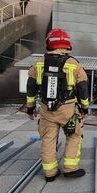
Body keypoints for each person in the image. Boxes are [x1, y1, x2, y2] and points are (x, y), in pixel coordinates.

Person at [24, 28, 90, 182]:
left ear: (49, 43)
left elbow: (31, 88)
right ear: (67, 44)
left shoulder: (39, 64)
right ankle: (70, 168)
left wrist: (30, 108)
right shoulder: (73, 64)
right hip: (67, 109)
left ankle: (50, 173)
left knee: (48, 139)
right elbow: (82, 88)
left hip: (47, 110)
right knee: (74, 136)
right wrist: (84, 107)